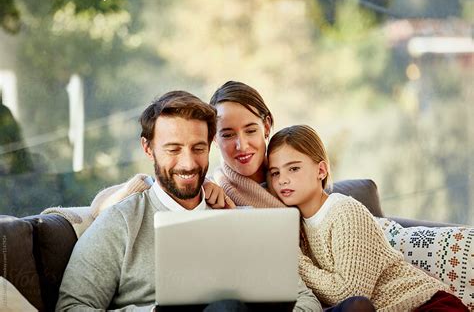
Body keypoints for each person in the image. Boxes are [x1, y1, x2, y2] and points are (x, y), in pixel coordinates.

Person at [94, 81, 375, 311]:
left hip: (318, 283)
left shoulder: (292, 182)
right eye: (227, 134)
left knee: (357, 307)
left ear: (267, 126)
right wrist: (145, 184)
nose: (241, 145)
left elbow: (309, 283)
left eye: (250, 130)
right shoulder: (220, 196)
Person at [56, 91, 321, 311]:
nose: (188, 163)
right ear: (148, 149)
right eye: (173, 149)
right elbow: (72, 308)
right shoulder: (121, 222)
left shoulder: (238, 219)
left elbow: (306, 300)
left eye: (198, 149)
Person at [267, 124, 469, 312]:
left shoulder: (344, 212)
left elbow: (349, 293)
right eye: (275, 173)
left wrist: (294, 259)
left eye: (293, 168)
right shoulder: (297, 225)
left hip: (423, 304)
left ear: (321, 170)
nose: (282, 180)